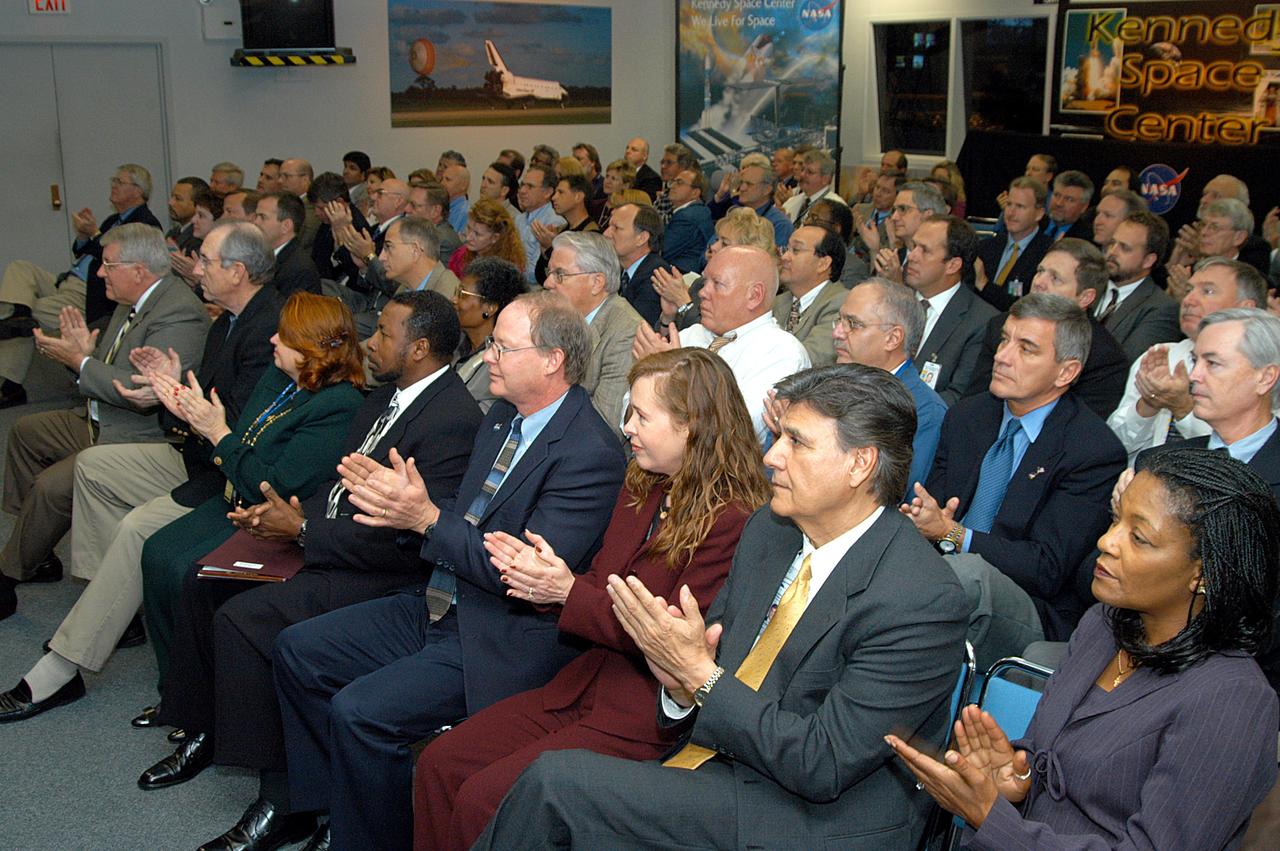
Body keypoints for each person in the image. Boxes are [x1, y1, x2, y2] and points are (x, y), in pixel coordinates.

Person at [474, 364, 969, 850]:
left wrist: (699, 678)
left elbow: (823, 762)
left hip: (812, 817)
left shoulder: (919, 599)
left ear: (860, 463)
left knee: (555, 787)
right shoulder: (769, 534)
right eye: (778, 437)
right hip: (717, 761)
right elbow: (708, 668)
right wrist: (679, 686)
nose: (772, 456)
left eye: (797, 442)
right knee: (514, 778)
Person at [271, 290, 626, 849]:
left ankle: (370, 836)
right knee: (298, 651)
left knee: (360, 711)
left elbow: (520, 573)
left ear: (553, 360)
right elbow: (460, 519)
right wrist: (411, 510)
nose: (487, 357)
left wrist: (424, 516)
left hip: (501, 634)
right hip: (440, 599)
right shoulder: (503, 417)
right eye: (491, 345)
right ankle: (335, 808)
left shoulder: (589, 453)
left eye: (503, 348)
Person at [139, 292, 485, 851]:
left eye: (385, 334)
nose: (370, 342)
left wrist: (302, 533)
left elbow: (403, 541)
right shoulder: (387, 399)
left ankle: (282, 799)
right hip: (335, 543)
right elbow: (340, 484)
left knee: (247, 622)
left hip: (386, 576)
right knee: (208, 582)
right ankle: (209, 728)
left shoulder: (452, 421)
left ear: (419, 348)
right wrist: (297, 516)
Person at [416, 347, 772, 849]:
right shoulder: (644, 486)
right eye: (629, 411)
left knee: (484, 798)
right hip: (583, 684)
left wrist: (563, 590)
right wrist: (544, 579)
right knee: (440, 762)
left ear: (692, 425)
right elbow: (601, 585)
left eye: (642, 416)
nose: (626, 426)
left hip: (644, 713)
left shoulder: (733, 521)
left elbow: (665, 635)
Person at [889, 447, 1279, 850]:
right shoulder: (1104, 626)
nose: (1106, 542)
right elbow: (1055, 760)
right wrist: (1016, 778)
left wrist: (991, 819)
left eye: (1139, 537)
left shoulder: (1233, 700)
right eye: (1115, 520)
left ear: (1204, 573)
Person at [133, 291, 366, 695]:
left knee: (187, 574)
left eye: (285, 336)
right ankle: (175, 690)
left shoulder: (338, 404)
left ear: (311, 348)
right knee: (155, 554)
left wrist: (216, 432)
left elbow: (274, 485)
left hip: (266, 518)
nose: (273, 340)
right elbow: (243, 442)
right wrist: (203, 422)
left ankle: (202, 701)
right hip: (233, 498)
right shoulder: (279, 377)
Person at [904, 293, 1127, 667]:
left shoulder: (1092, 451)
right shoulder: (967, 417)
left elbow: (1047, 569)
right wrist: (924, 518)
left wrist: (954, 534)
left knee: (968, 574)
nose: (1003, 355)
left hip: (1031, 607)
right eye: (1005, 340)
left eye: (1027, 348)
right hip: (940, 579)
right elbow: (936, 510)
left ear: (1066, 372)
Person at [453, 257, 527, 413]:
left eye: (463, 294)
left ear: (490, 307)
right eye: (456, 292)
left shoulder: (500, 363)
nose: (454, 300)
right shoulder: (453, 341)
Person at [447, 198, 525, 279]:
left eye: (477, 234)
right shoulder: (459, 256)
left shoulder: (507, 271)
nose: (468, 237)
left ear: (495, 237)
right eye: (468, 228)